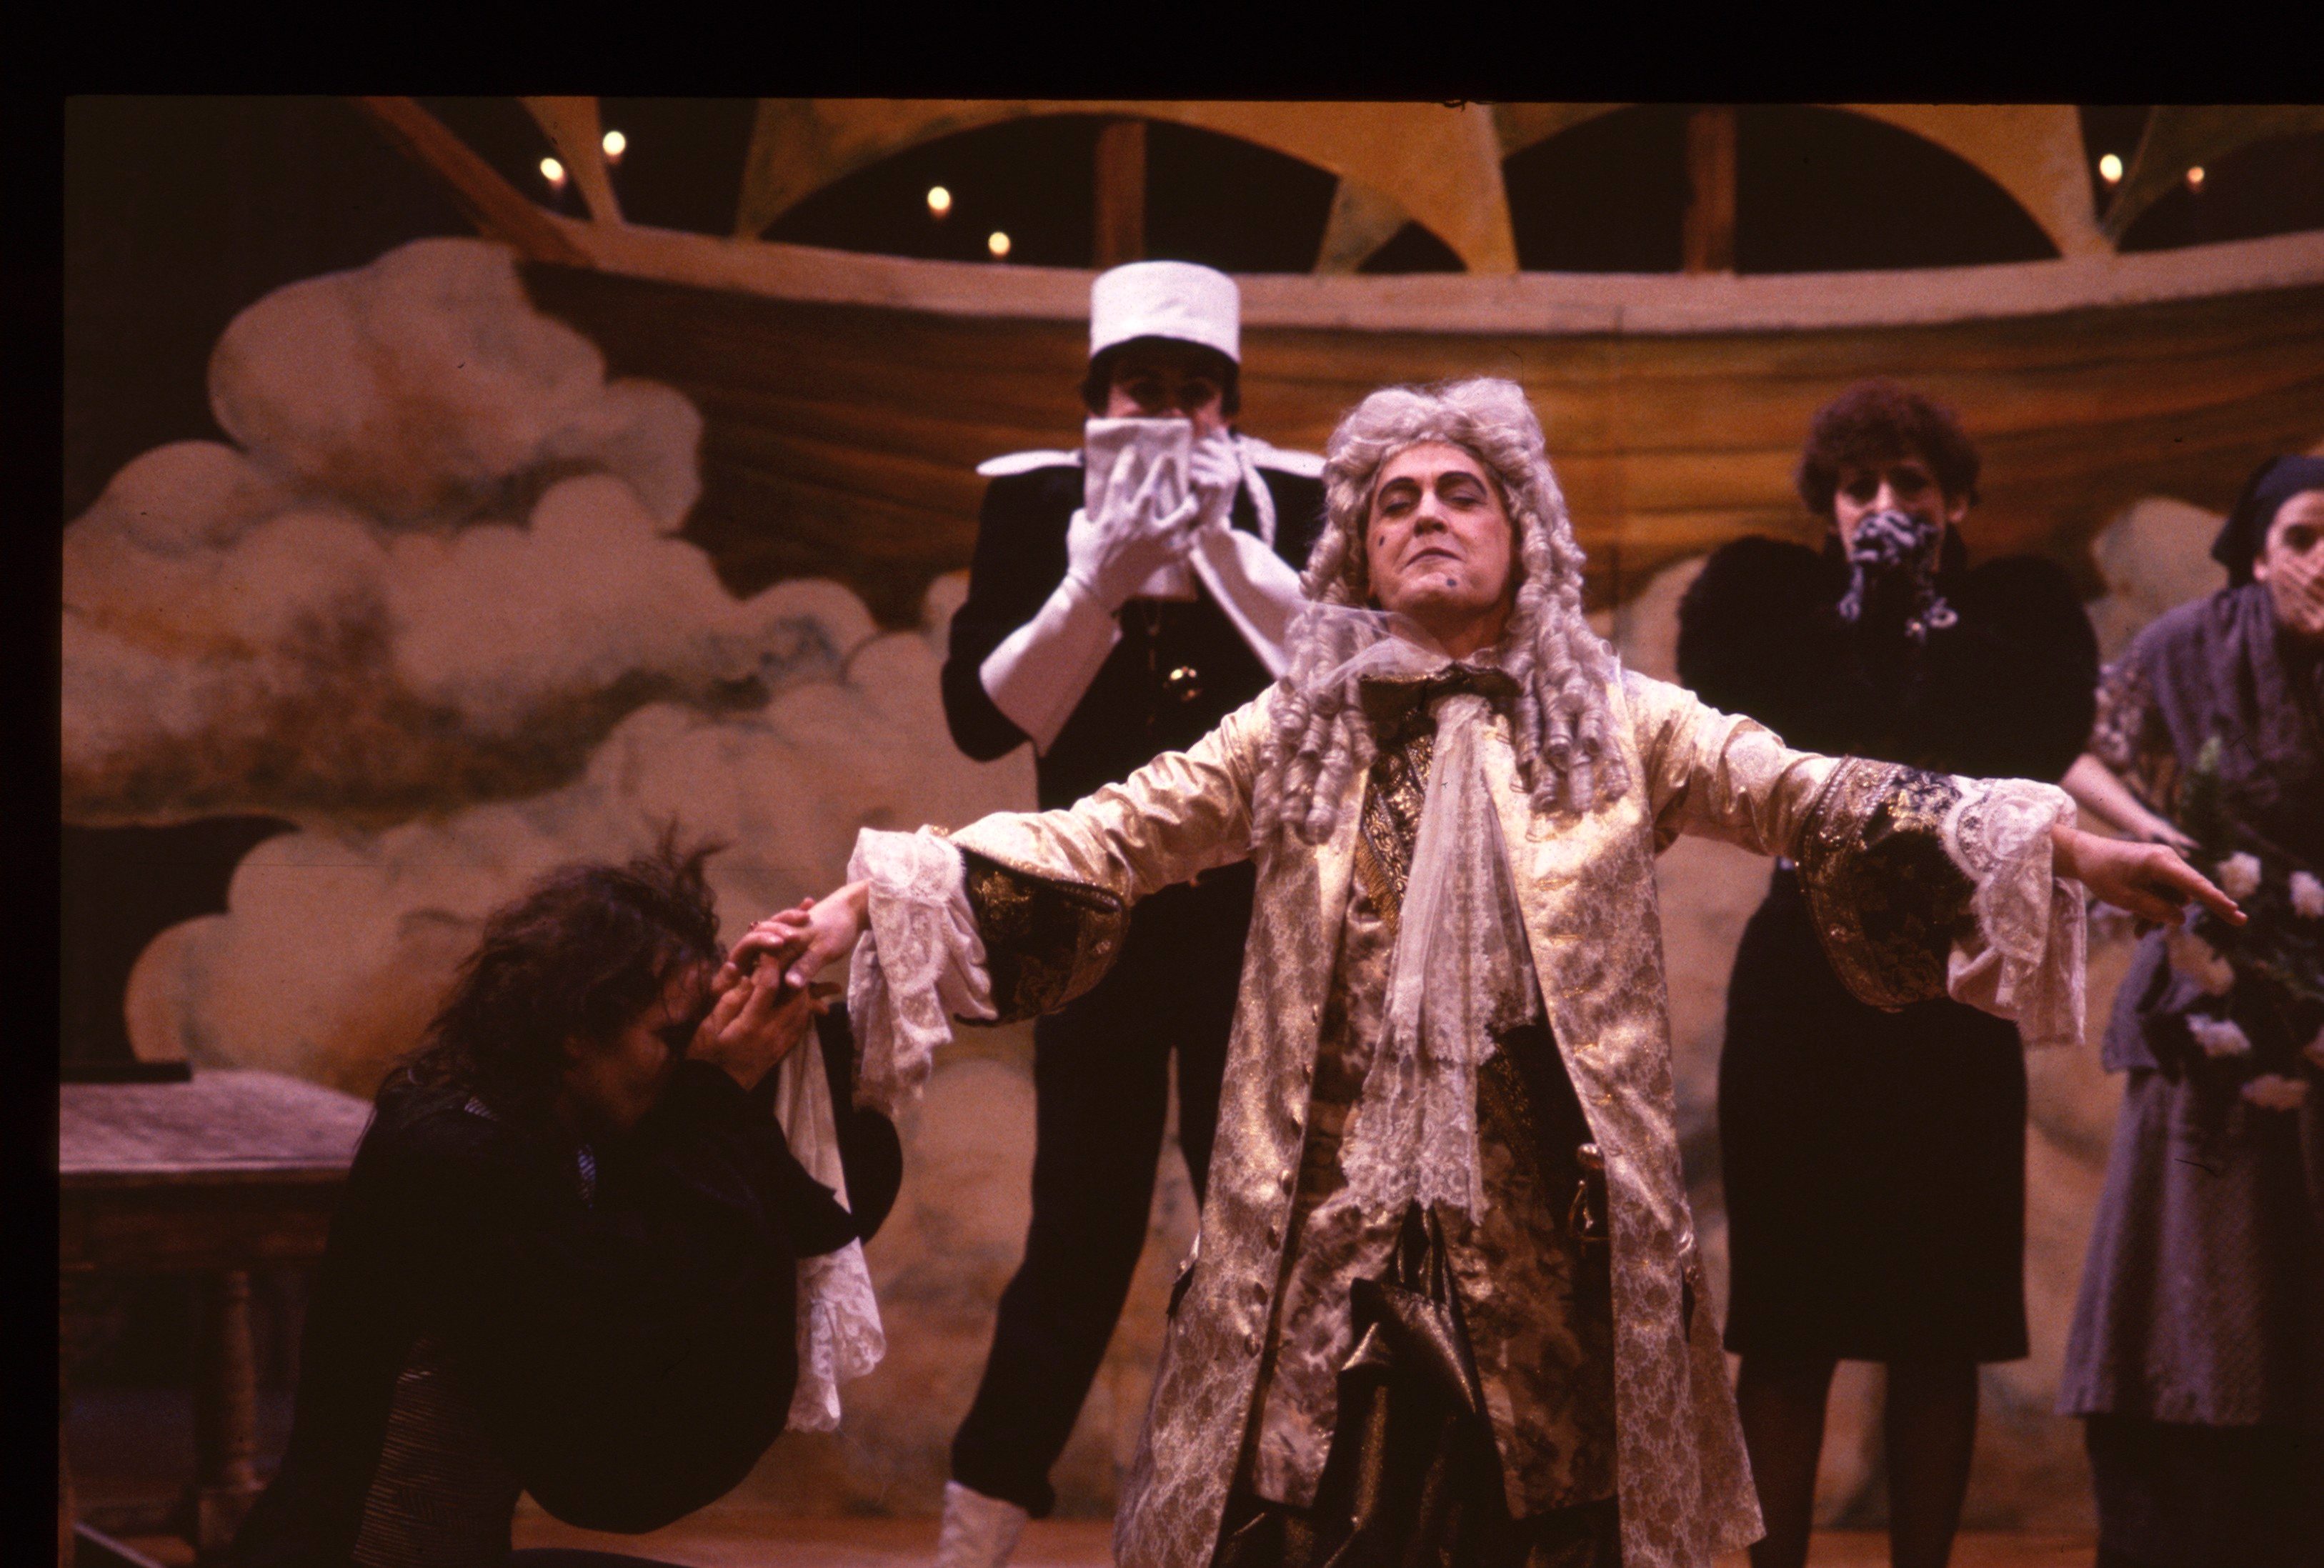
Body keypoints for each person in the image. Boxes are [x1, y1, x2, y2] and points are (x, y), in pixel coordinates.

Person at [740, 379, 2232, 1568]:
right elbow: (1104, 836)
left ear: (1524, 530)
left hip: (1549, 1257)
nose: (1428, 516)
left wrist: (2063, 845)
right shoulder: (1299, 725)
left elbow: (1816, 795)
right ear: (1356, 549)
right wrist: (874, 902)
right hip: (1325, 1251)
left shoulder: (1618, 718)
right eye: (1394, 501)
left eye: (1462, 492)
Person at [1671, 379, 2100, 1568]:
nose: (1882, 503)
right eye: (1857, 486)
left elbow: (2025, 752)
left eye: (1909, 483)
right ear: (1827, 506)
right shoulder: (1772, 609)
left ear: (1956, 501)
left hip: (1950, 982)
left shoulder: (2014, 617)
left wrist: (1925, 621)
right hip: (1800, 985)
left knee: (1938, 1324)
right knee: (1789, 1319)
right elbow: (1761, 744)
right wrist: (1865, 616)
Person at [934, 259, 1323, 1566]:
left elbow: (1340, 683)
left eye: (1193, 391)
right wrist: (1094, 578)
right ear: (1095, 398)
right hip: (1086, 927)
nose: (1166, 412)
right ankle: (974, 1535)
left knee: (1257, 1238)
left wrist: (1214, 545)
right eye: (1139, 387)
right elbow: (982, 720)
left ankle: (1256, 1529)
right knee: (1079, 1238)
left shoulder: (1288, 500)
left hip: (1250, 935)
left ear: (1229, 405)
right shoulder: (1038, 502)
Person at [229, 840, 902, 1568]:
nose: (689, 1059)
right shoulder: (451, 1148)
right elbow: (608, 1420)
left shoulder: (559, 1126)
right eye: (671, 1036)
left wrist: (774, 1004)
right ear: (576, 1028)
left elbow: (820, 1217)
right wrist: (715, 1090)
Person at [2055, 455, 2324, 1568]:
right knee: (2199, 1276)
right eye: (2304, 536)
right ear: (2258, 553)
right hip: (2215, 993)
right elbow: (2078, 751)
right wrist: (2156, 836)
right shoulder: (2184, 648)